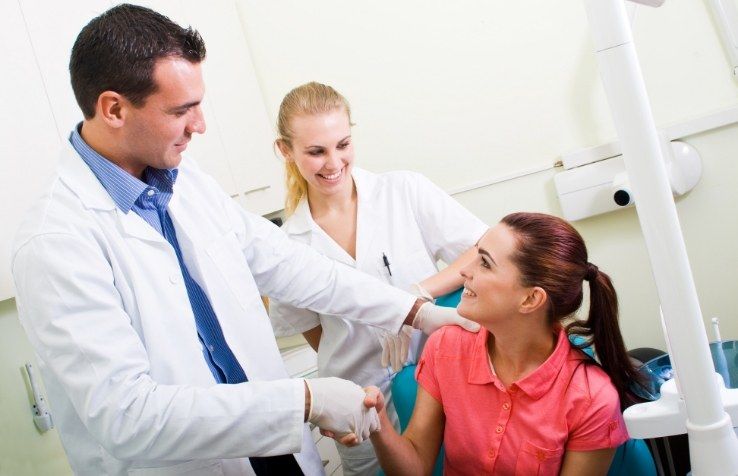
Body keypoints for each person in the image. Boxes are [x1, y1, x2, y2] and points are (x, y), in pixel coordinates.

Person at [11, 5, 473, 475]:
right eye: (181, 110)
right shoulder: (56, 242)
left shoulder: (185, 179)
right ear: (114, 109)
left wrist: (415, 311)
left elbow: (293, 267)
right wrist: (307, 399)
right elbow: (127, 415)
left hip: (277, 453)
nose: (201, 124)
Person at [269, 82, 488, 475]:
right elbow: (317, 335)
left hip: (441, 388)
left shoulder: (404, 191)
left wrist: (417, 299)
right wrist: (365, 339)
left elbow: (482, 249)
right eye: (316, 151)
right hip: (362, 408)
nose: (333, 162)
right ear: (285, 150)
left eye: (343, 144)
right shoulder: (288, 244)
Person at [354, 212, 643, 475]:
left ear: (530, 299)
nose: (465, 270)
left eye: (484, 263)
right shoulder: (446, 347)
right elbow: (414, 468)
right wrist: (378, 422)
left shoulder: (592, 398)